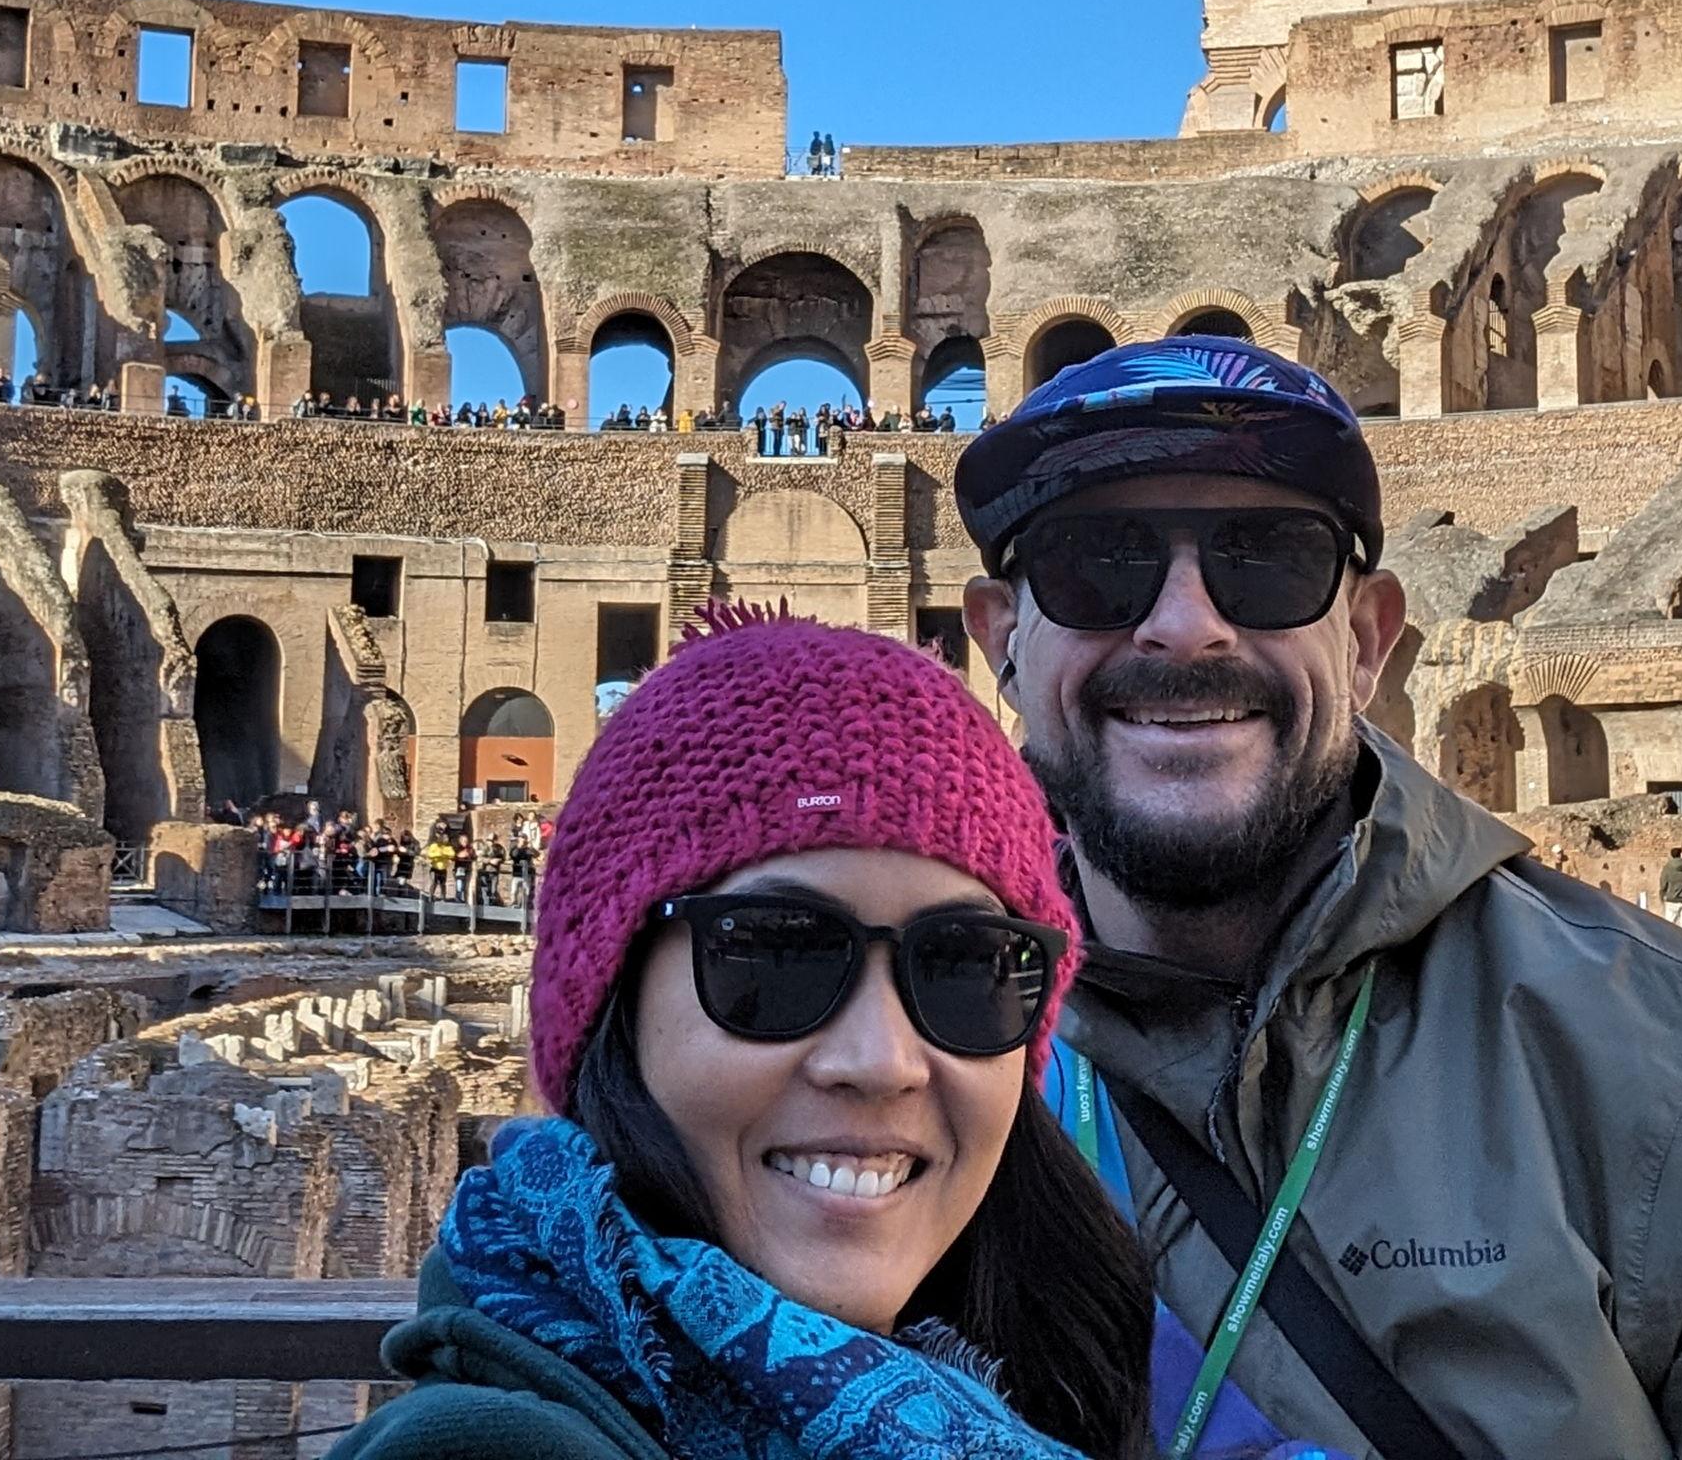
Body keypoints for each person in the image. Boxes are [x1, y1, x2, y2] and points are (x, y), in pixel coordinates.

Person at [955, 334, 1682, 1459]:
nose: (1184, 623)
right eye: (1094, 562)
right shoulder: (876, 1049)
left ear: (1364, 642)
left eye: (1263, 558)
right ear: (1000, 642)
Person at [330, 608, 1157, 1460]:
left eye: (966, 966)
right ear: (614, 997)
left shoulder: (1042, 1355)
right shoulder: (490, 1447)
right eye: (773, 955)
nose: (881, 1060)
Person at [1660, 845, 1682, 927]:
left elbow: (1663, 884)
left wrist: (1662, 896)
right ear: (1681, 854)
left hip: (1671, 899)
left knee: (1669, 926)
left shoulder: (1667, 867)